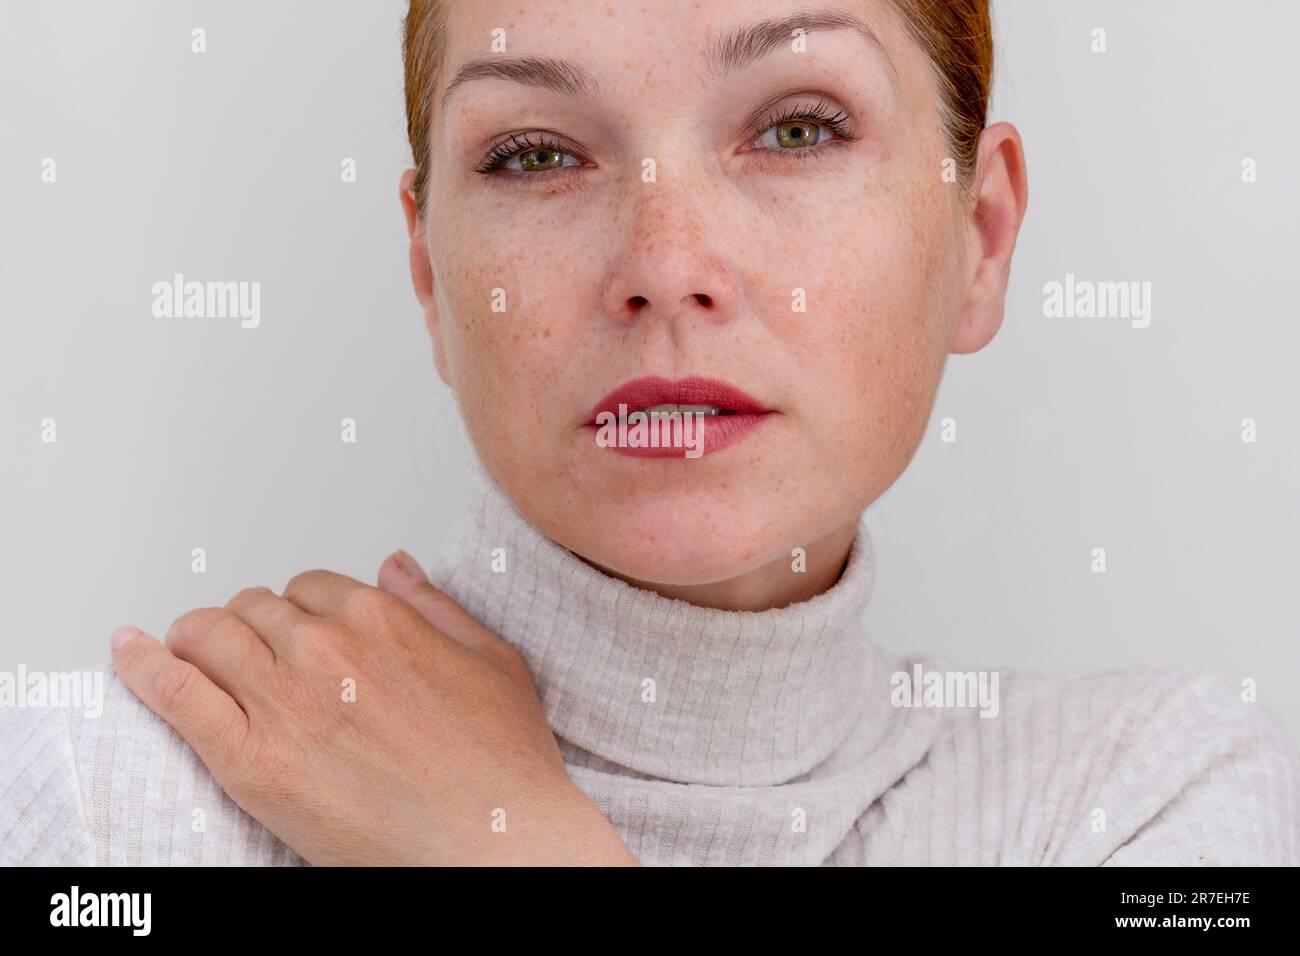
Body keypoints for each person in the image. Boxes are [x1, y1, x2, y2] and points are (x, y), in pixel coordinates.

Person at [3, 0, 1296, 866]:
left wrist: (515, 846)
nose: (666, 265)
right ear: (428, 274)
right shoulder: (102, 802)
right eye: (533, 155)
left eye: (797, 129)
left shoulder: (1146, 803)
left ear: (981, 237)